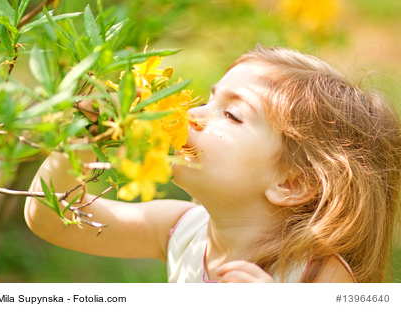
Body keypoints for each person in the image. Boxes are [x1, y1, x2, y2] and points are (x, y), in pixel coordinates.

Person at [24, 45, 401, 283]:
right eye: (207, 99)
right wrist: (82, 140)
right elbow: (54, 219)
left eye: (233, 115)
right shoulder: (180, 230)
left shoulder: (318, 275)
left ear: (291, 183)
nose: (190, 115)